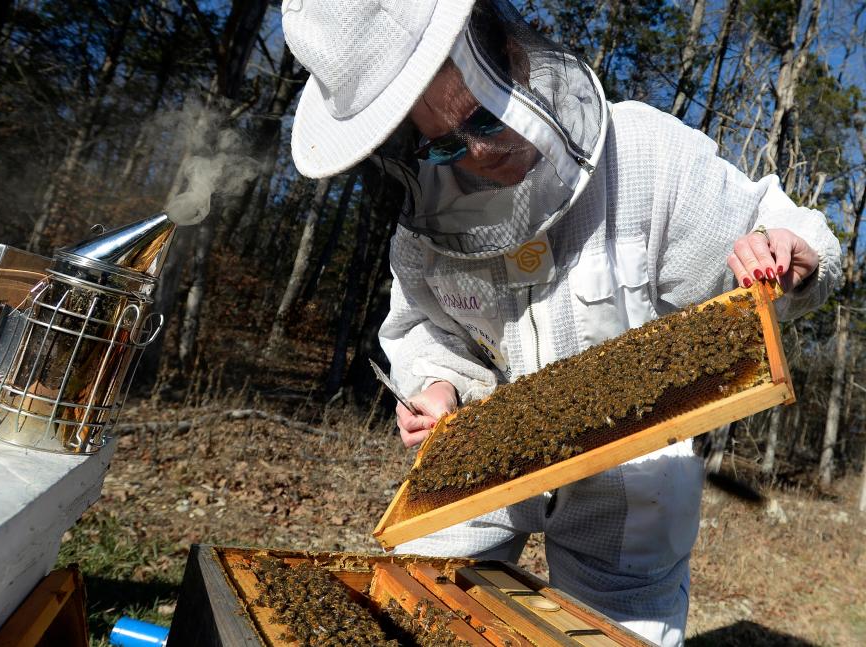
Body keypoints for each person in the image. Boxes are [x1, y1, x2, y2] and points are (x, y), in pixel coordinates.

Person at [281, 0, 841, 645]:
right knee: (418, 603)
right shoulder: (428, 227)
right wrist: (437, 384)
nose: (479, 152)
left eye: (483, 115)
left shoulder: (646, 156)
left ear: (515, 58)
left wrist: (790, 256)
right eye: (439, 144)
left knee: (619, 634)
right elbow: (424, 331)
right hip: (483, 460)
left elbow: (781, 233)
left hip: (635, 476)